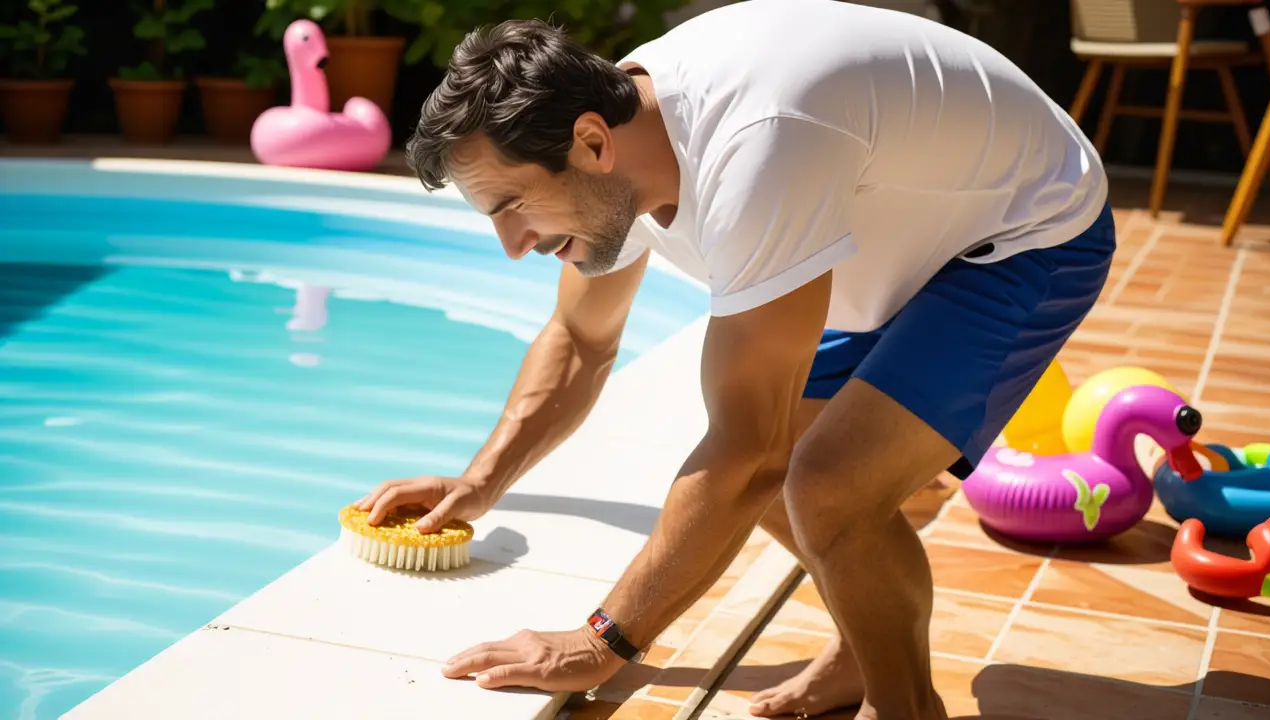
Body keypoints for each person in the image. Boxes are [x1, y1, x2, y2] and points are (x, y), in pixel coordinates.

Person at [356, 1, 1114, 718]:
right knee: (792, 480)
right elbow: (581, 340)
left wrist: (600, 642)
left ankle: (906, 706)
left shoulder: (754, 149)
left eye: (512, 206)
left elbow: (747, 455)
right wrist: (480, 481)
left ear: (591, 142)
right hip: (890, 222)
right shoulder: (620, 149)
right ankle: (861, 651)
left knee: (824, 487)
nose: (512, 245)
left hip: (1023, 225)